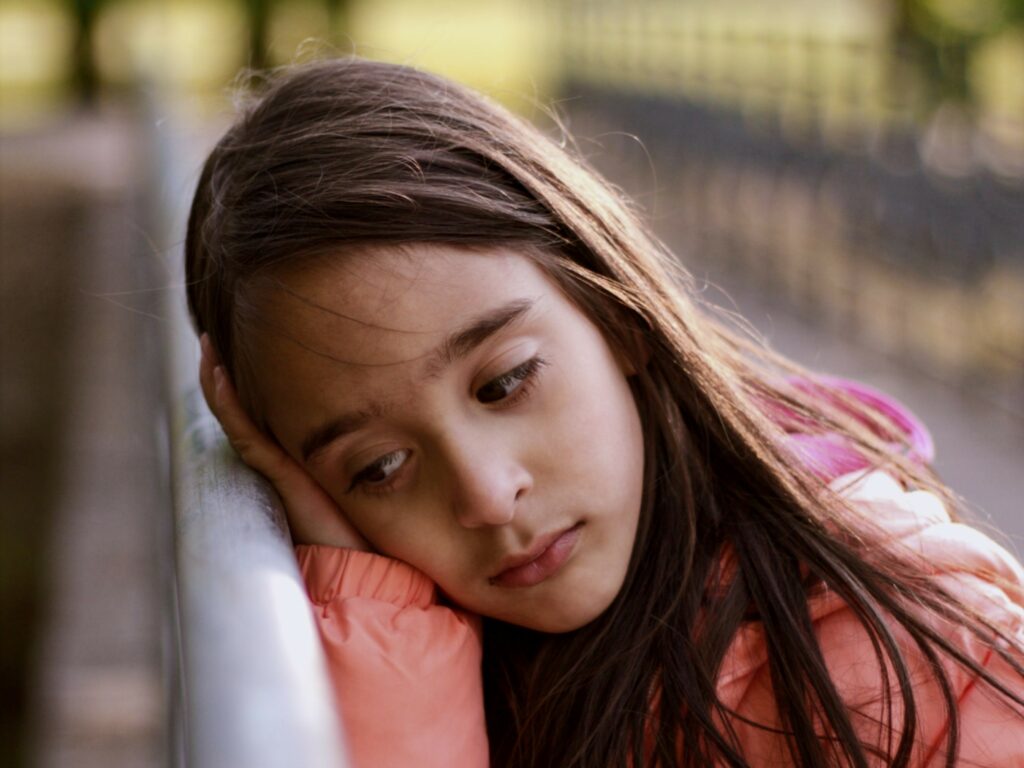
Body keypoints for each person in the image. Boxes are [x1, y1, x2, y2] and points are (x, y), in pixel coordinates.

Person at [184, 57, 1024, 767]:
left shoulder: (911, 654)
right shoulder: (439, 649)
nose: (485, 494)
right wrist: (374, 617)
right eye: (379, 468)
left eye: (505, 382)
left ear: (616, 314)